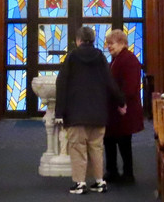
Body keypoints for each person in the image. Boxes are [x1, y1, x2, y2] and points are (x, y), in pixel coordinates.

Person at [56, 26, 126, 194]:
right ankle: (100, 181)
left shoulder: (72, 56)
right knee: (96, 148)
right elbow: (110, 82)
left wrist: (60, 112)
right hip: (98, 113)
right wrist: (121, 101)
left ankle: (80, 183)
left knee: (77, 148)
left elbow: (62, 83)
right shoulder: (100, 57)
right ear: (93, 40)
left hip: (77, 113)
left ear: (78, 40)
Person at [103, 29, 144, 184]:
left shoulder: (129, 59)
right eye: (107, 44)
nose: (108, 47)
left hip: (125, 109)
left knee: (124, 142)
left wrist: (122, 102)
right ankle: (111, 171)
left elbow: (131, 87)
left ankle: (128, 174)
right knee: (109, 140)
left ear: (121, 43)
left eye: (111, 43)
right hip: (113, 109)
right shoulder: (116, 59)